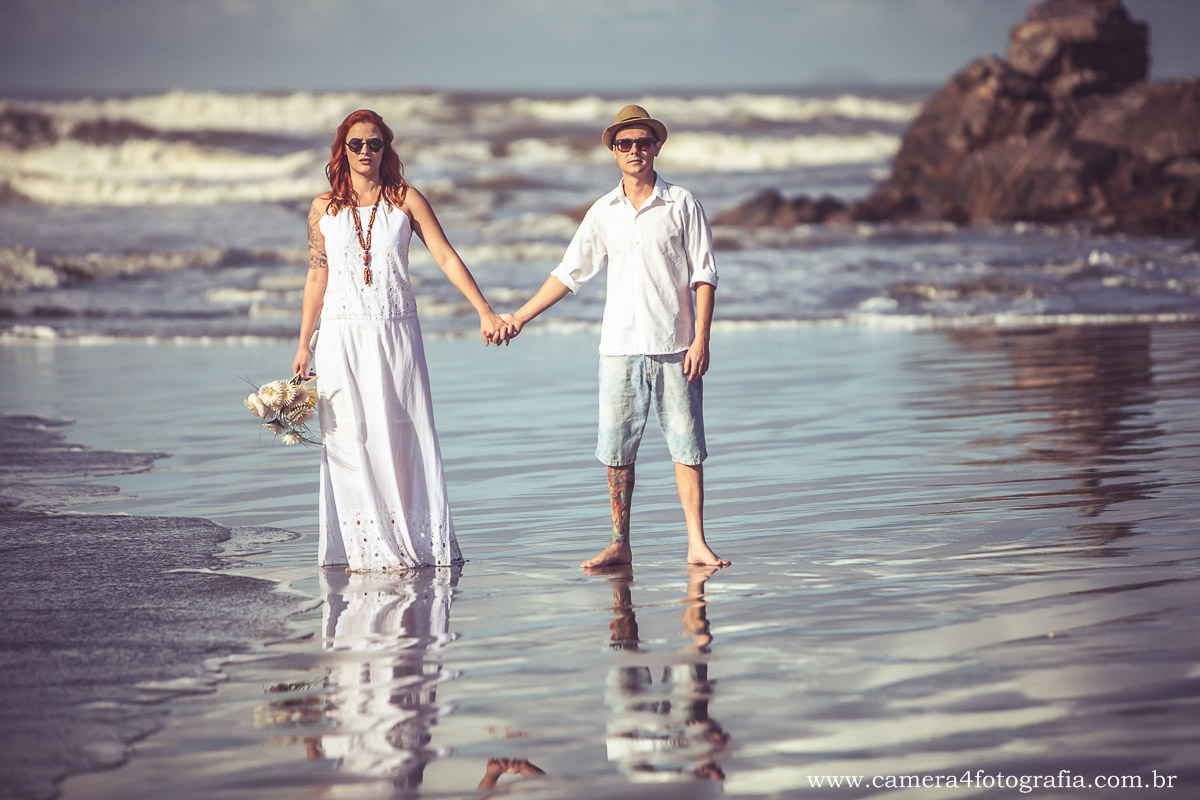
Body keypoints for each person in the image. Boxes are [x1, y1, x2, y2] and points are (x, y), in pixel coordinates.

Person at [503, 105, 729, 569]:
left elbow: (704, 275)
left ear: (656, 146)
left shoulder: (682, 203)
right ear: (613, 151)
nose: (634, 150)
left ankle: (696, 543)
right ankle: (618, 542)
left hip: (676, 345)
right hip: (619, 347)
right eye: (624, 143)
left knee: (686, 446)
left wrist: (702, 339)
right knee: (617, 449)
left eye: (643, 142)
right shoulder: (603, 211)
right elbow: (570, 274)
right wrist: (521, 317)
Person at [292, 109, 512, 571]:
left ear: (386, 148)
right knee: (348, 436)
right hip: (340, 334)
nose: (366, 151)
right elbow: (317, 275)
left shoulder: (406, 200)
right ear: (342, 150)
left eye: (375, 143)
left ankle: (410, 538)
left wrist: (484, 310)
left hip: (396, 332)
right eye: (357, 144)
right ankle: (364, 548)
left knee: (401, 431)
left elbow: (447, 258)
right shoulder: (322, 209)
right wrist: (303, 343)